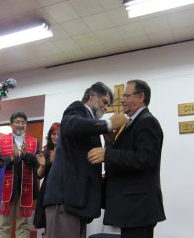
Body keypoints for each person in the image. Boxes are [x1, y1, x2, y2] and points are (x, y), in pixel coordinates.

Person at [43, 82, 128, 238]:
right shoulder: (77, 108)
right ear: (91, 96)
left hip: (78, 201)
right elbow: (70, 125)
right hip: (65, 199)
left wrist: (108, 142)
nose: (106, 108)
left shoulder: (89, 123)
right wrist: (108, 124)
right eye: (104, 102)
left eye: (108, 105)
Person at [88, 79, 166, 238]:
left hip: (139, 208)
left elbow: (144, 159)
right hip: (131, 209)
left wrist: (107, 154)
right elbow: (125, 158)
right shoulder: (133, 122)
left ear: (141, 97)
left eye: (126, 95)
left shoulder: (147, 122)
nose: (122, 100)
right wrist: (110, 142)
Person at [0, 111, 40, 238]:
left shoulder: (34, 142)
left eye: (23, 122)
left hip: (26, 190)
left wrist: (26, 155)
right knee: (4, 225)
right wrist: (11, 157)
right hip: (6, 189)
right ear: (11, 124)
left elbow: (37, 164)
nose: (20, 125)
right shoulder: (1, 141)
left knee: (23, 225)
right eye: (17, 122)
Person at [33, 122, 61, 238]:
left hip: (60, 192)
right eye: (53, 134)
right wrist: (43, 166)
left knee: (60, 226)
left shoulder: (66, 152)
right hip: (47, 191)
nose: (55, 137)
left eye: (58, 134)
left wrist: (56, 164)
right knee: (47, 227)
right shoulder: (45, 152)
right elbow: (39, 175)